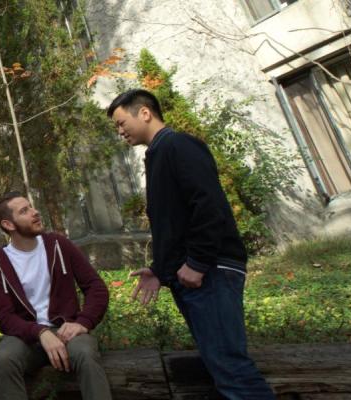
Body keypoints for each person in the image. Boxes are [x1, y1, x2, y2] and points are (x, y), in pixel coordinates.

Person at [107, 89, 276, 399]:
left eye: (121, 123)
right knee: (221, 366)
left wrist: (197, 262)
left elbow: (208, 205)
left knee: (231, 369)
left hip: (211, 271)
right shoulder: (157, 153)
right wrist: (160, 269)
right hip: (195, 275)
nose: (120, 132)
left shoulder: (178, 144)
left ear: (144, 113)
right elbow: (175, 221)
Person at [0, 191, 112, 400]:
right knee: (6, 357)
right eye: (24, 211)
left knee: (86, 354)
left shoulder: (58, 245)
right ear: (8, 225)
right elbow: (5, 318)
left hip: (67, 329)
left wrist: (83, 322)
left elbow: (95, 287)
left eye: (32, 207)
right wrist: (41, 332)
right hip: (27, 336)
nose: (35, 213)